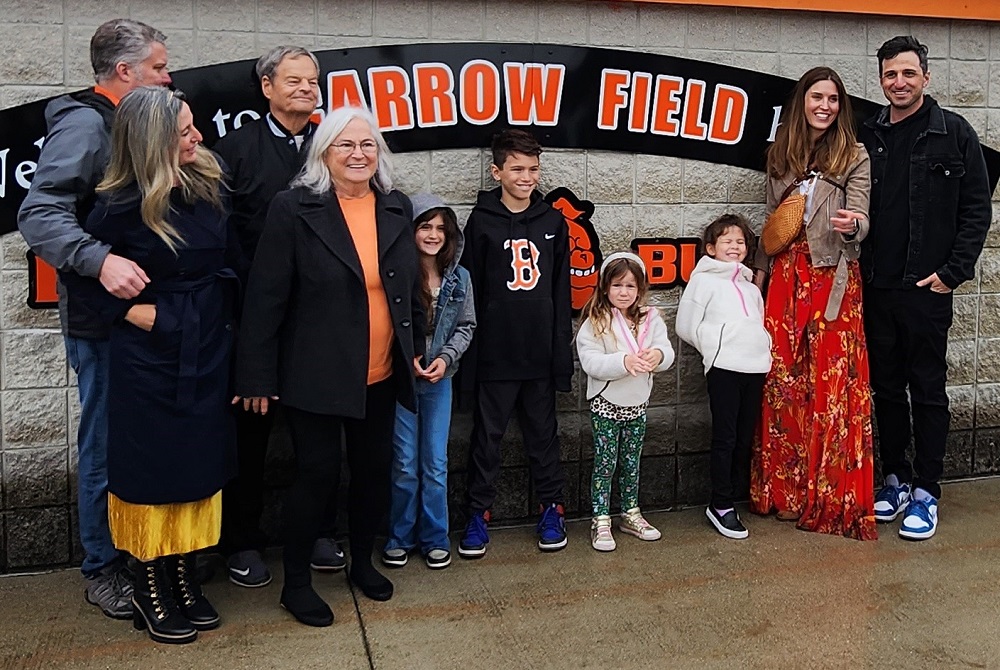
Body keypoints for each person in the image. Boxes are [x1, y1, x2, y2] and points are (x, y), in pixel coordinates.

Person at [235, 106, 423, 627]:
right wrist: (255, 374)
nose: (358, 154)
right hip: (313, 374)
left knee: (372, 475)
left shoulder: (396, 208)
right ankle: (296, 583)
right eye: (346, 145)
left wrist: (418, 350)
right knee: (315, 475)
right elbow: (265, 297)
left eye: (367, 145)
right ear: (324, 153)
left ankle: (360, 563)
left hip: (381, 374)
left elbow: (405, 290)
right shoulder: (294, 209)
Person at [65, 86, 238, 644]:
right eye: (185, 130)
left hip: (208, 346)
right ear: (151, 140)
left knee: (199, 466)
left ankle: (184, 576)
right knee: (152, 474)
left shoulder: (207, 186)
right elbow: (76, 273)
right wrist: (129, 311)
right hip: (150, 362)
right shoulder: (116, 203)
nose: (197, 137)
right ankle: (149, 584)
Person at [17, 18, 171, 620]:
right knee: (105, 441)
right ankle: (103, 569)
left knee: (138, 440)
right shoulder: (85, 124)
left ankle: (138, 555)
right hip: (102, 320)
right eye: (159, 67)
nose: (168, 76)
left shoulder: (139, 123)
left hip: (143, 318)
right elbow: (40, 214)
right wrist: (100, 261)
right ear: (125, 72)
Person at [213, 45, 344, 587]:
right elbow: (217, 238)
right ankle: (241, 542)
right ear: (266, 86)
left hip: (323, 325)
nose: (306, 90)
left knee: (320, 439)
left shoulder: (335, 147)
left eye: (312, 82)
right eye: (294, 81)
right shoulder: (233, 151)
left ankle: (318, 531)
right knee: (251, 438)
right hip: (255, 320)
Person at [860, 36, 992, 541]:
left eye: (908, 73)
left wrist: (953, 272)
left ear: (926, 77)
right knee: (887, 389)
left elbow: (977, 210)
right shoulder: (868, 133)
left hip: (927, 290)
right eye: (891, 74)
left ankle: (927, 491)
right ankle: (894, 480)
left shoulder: (953, 133)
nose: (899, 82)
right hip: (877, 287)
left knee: (928, 391)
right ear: (881, 79)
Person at [750, 66, 876, 541]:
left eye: (834, 99)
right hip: (785, 276)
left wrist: (853, 225)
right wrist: (759, 277)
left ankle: (824, 495)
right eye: (817, 97)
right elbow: (770, 220)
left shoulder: (855, 155)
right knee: (782, 379)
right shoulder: (781, 155)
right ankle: (784, 493)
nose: (825, 105)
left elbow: (863, 216)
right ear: (802, 100)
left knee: (829, 388)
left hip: (831, 280)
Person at [457, 129, 574, 559]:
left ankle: (551, 508)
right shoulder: (481, 220)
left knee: (544, 436)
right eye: (518, 169)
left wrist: (561, 351)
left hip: (539, 354)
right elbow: (469, 291)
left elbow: (562, 292)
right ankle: (477, 514)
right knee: (486, 438)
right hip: (495, 354)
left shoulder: (552, 221)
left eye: (533, 169)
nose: (527, 177)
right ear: (497, 171)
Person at [382, 193, 476, 571]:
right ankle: (399, 536)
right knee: (405, 462)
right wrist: (409, 358)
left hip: (440, 380)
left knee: (435, 462)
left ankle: (435, 537)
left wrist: (444, 359)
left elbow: (467, 326)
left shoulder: (460, 278)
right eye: (425, 226)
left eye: (441, 228)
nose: (433, 234)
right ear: (411, 230)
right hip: (402, 380)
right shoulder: (397, 273)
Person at [676, 215, 771, 540]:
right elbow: (685, 326)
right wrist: (716, 344)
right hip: (724, 369)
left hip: (755, 368)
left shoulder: (751, 286)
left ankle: (732, 496)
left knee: (744, 438)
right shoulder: (703, 281)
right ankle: (720, 504)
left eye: (740, 241)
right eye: (727, 241)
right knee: (725, 438)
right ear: (711, 248)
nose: (735, 246)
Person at [577, 252, 674, 552]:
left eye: (631, 286)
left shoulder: (650, 318)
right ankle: (600, 518)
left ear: (640, 289)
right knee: (606, 463)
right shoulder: (597, 320)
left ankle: (630, 513)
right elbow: (590, 361)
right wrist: (623, 361)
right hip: (606, 402)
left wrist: (657, 356)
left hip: (637, 402)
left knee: (631, 462)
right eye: (617, 285)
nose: (624, 292)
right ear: (605, 287)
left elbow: (665, 350)